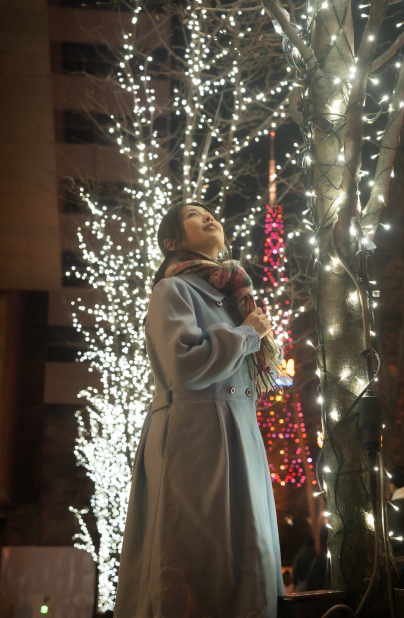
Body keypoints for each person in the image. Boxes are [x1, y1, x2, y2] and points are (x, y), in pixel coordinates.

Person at [114, 200, 287, 618]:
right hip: (196, 435)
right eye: (193, 215)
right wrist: (247, 334)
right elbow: (184, 365)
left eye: (210, 212)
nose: (209, 216)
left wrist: (247, 329)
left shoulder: (234, 295)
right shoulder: (172, 289)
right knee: (196, 555)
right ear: (172, 242)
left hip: (239, 431)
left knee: (246, 550)